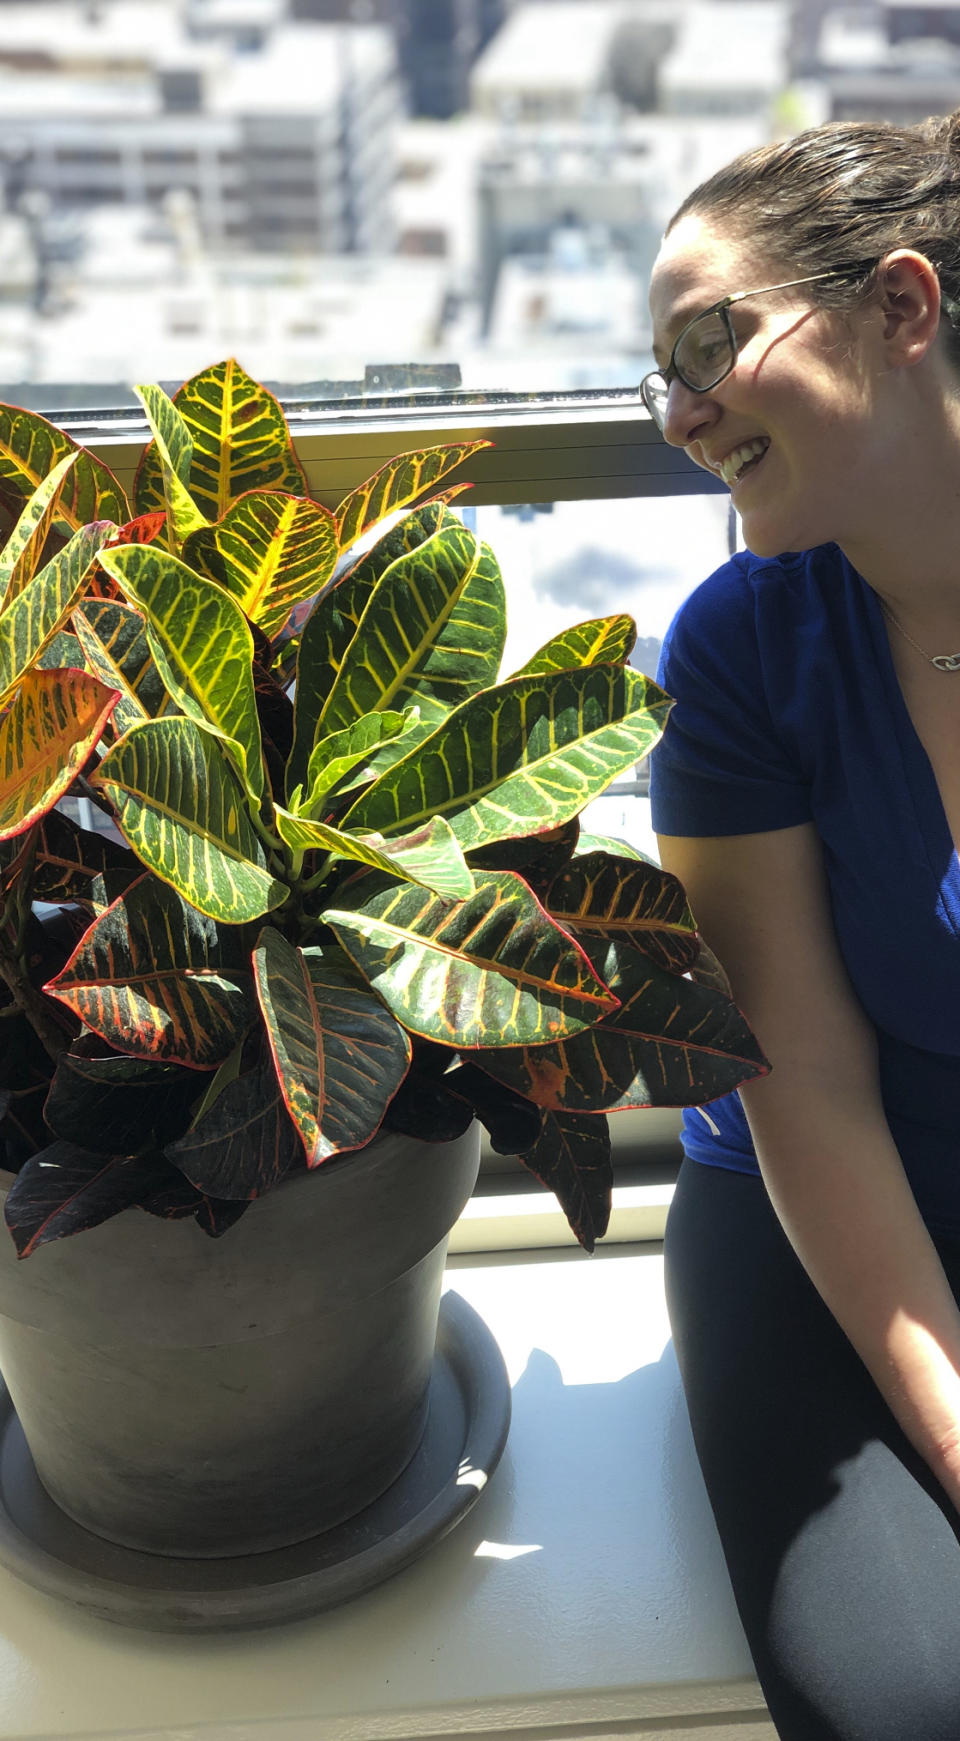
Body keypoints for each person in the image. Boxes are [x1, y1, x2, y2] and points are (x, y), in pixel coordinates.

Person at [643, 113, 960, 1741]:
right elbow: (807, 1089)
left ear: (902, 308)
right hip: (815, 1216)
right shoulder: (742, 654)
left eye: (711, 340)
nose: (684, 411)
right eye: (662, 375)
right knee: (909, 1703)